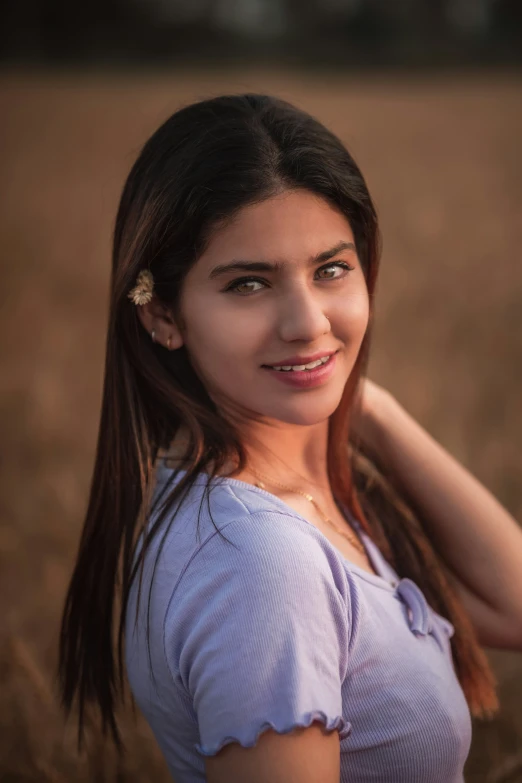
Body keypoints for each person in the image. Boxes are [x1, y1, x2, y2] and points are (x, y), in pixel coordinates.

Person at [58, 93, 522, 783]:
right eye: (248, 283)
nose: (307, 322)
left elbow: (513, 606)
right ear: (162, 314)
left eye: (331, 268)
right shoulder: (256, 560)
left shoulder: (307, 498)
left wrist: (372, 411)